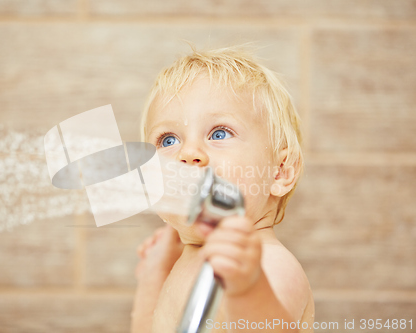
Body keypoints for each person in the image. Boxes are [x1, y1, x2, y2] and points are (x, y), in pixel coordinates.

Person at [131, 44, 314, 333]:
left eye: (218, 133)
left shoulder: (270, 265)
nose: (188, 153)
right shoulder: (185, 263)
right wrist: (151, 283)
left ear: (279, 172)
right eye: (168, 140)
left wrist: (247, 289)